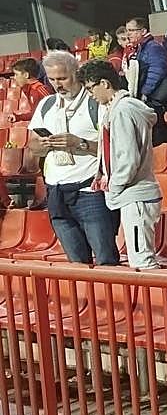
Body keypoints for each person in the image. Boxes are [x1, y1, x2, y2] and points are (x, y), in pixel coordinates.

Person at [27, 51, 116, 265]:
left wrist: (79, 143)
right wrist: (42, 144)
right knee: (76, 264)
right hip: (56, 192)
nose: (58, 84)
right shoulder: (46, 105)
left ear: (76, 73)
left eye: (63, 78)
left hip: (90, 192)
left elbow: (115, 148)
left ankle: (113, 298)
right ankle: (88, 299)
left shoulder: (96, 103)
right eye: (52, 79)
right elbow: (33, 147)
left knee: (106, 259)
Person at [78, 59, 162, 269]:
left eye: (91, 88)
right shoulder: (116, 109)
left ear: (105, 84)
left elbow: (127, 158)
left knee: (141, 260)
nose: (91, 95)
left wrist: (114, 186)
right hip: (132, 193)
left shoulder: (123, 110)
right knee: (139, 258)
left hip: (135, 193)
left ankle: (150, 299)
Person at [122, 18, 167, 104]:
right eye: (127, 30)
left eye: (131, 30)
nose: (128, 34)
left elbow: (157, 71)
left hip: (155, 97)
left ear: (143, 31)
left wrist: (145, 92)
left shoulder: (153, 47)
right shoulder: (141, 48)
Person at [6, 58, 52, 123]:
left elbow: (55, 111)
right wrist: (17, 117)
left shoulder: (39, 90)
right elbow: (35, 114)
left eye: (16, 74)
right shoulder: (28, 89)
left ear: (26, 75)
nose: (14, 77)